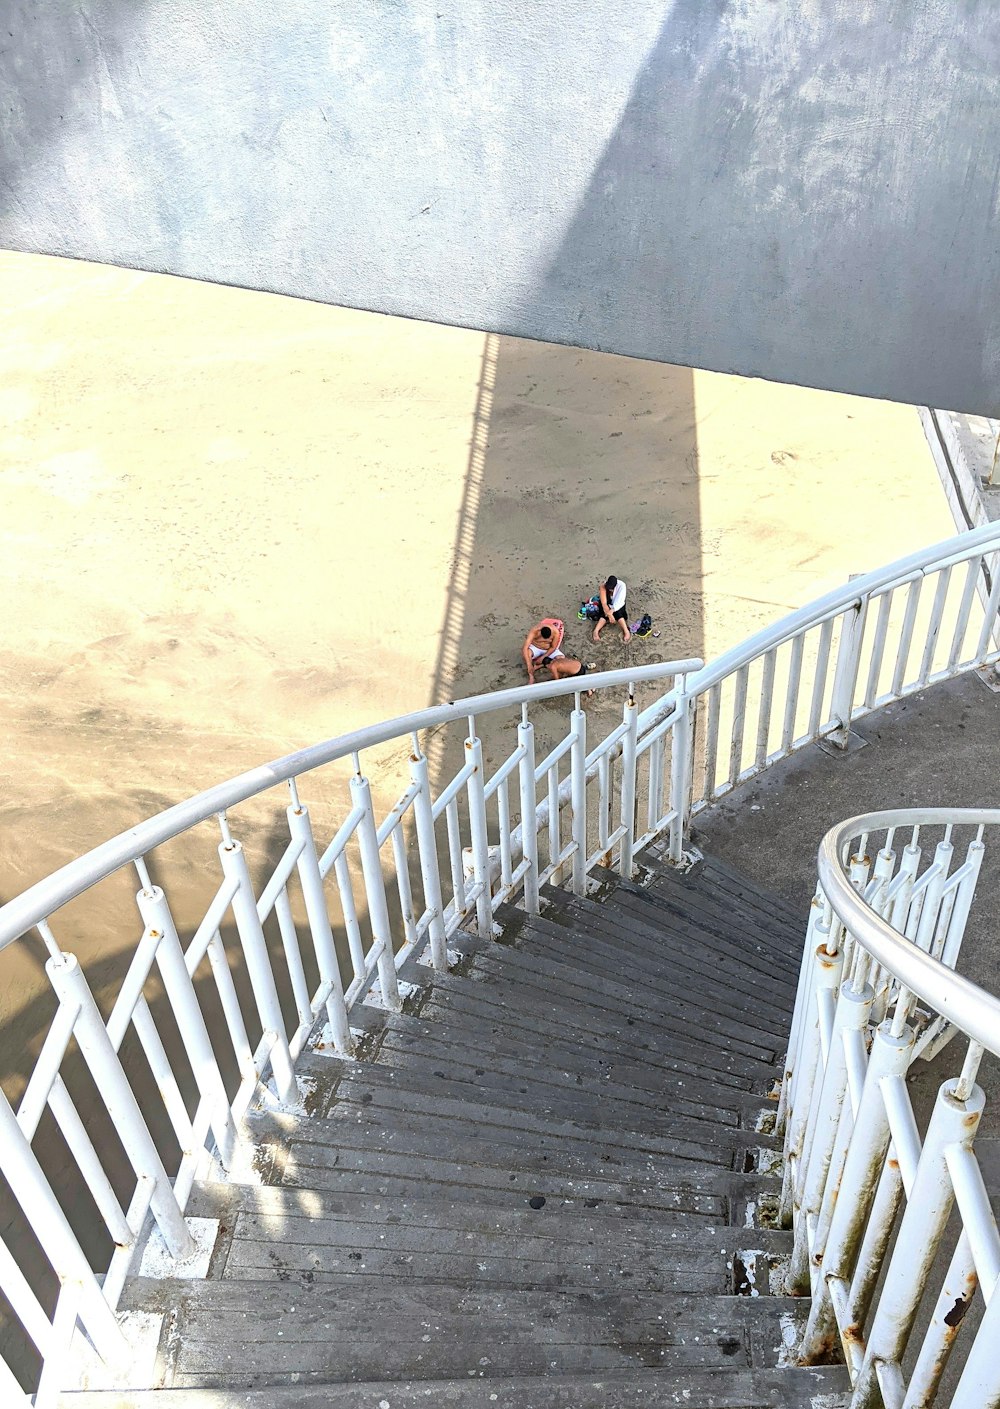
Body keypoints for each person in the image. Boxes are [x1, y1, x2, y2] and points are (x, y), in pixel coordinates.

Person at [522, 618, 596, 690]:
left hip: (549, 650)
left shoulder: (555, 632)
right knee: (527, 653)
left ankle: (546, 666)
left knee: (561, 658)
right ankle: (531, 676)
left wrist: (543, 657)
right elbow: (525, 647)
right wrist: (529, 665)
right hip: (536, 648)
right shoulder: (535, 630)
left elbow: (553, 647)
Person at [593, 574, 630, 643]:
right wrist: (609, 615)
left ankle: (626, 631)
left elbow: (620, 601)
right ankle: (596, 631)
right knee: (604, 615)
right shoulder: (603, 587)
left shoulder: (622, 586)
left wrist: (612, 611)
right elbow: (604, 603)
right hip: (607, 604)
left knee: (619, 614)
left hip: (618, 603)